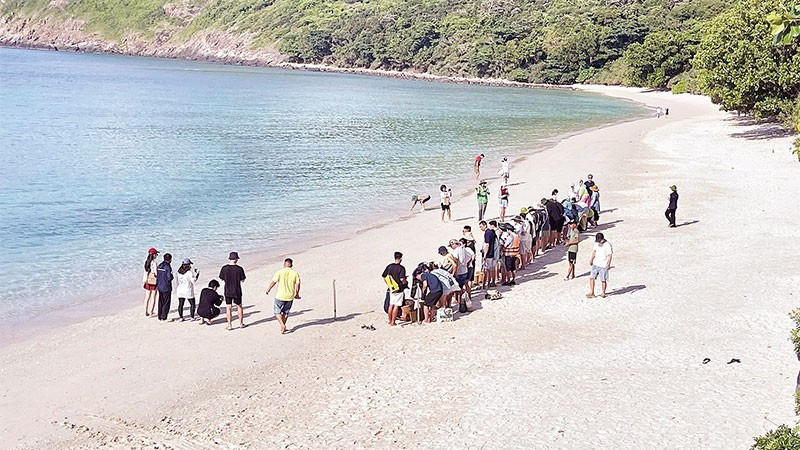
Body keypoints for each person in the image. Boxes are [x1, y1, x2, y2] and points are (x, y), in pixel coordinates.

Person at [265, 258, 301, 334]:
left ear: (284, 264)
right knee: (286, 312)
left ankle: (282, 324)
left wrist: (268, 289)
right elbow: (298, 284)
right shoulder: (295, 273)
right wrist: (297, 294)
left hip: (280, 295)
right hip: (290, 296)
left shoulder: (279, 272)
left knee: (277, 312)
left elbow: (273, 282)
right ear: (291, 265)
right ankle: (283, 327)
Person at [219, 251, 247, 330]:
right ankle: (241, 324)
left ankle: (229, 325)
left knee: (229, 307)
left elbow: (221, 278)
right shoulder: (239, 269)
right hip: (237, 290)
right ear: (236, 259)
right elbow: (243, 279)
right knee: (239, 306)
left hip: (228, 290)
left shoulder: (224, 268)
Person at [381, 252, 407, 327]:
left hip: (391, 288)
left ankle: (389, 320)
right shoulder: (401, 268)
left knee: (391, 304)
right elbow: (402, 279)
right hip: (399, 289)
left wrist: (389, 284)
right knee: (396, 305)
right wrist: (405, 282)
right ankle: (393, 322)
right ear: (401, 258)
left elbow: (384, 276)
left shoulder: (389, 266)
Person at [587, 233, 613, 298]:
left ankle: (603, 293)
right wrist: (591, 259)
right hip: (595, 264)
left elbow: (610, 255)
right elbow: (594, 252)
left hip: (603, 265)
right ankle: (592, 292)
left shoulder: (607, 245)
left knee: (603, 280)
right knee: (591, 278)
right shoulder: (596, 243)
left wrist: (608, 264)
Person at [449, 239, 472, 306]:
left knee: (458, 288)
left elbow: (455, 262)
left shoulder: (456, 251)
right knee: (465, 285)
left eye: (451, 246)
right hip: (465, 270)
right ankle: (468, 298)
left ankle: (459, 301)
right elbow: (470, 257)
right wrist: (466, 265)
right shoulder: (463, 249)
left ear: (454, 244)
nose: (451, 247)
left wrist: (454, 272)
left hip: (459, 271)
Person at [479, 221, 498, 289]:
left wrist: (484, 255)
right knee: (491, 269)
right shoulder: (492, 232)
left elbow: (487, 245)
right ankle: (491, 282)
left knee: (487, 270)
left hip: (488, 254)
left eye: (481, 226)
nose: (480, 228)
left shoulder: (487, 233)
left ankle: (486, 284)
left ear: (484, 225)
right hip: (492, 253)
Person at [155, 253, 174, 321]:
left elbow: (157, 276)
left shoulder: (160, 265)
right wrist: (172, 277)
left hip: (160, 286)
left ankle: (159, 316)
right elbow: (169, 278)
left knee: (160, 301)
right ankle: (164, 316)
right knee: (166, 302)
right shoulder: (168, 267)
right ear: (170, 259)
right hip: (166, 287)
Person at [142, 247, 159, 317]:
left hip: (147, 280)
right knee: (153, 297)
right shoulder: (154, 263)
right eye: (156, 254)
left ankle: (145, 311)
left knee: (147, 297)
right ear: (154, 255)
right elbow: (156, 272)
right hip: (153, 281)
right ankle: (151, 311)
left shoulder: (146, 262)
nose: (157, 255)